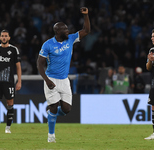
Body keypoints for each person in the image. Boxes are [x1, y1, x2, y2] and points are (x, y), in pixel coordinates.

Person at [37, 7, 90, 143]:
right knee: (54, 106)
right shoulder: (48, 45)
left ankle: (51, 115)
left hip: (64, 80)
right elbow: (39, 64)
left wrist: (86, 15)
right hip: (51, 79)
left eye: (67, 29)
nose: (68, 31)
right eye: (65, 29)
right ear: (58, 31)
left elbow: (86, 31)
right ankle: (51, 135)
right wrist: (46, 80)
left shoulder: (70, 39)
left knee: (67, 109)